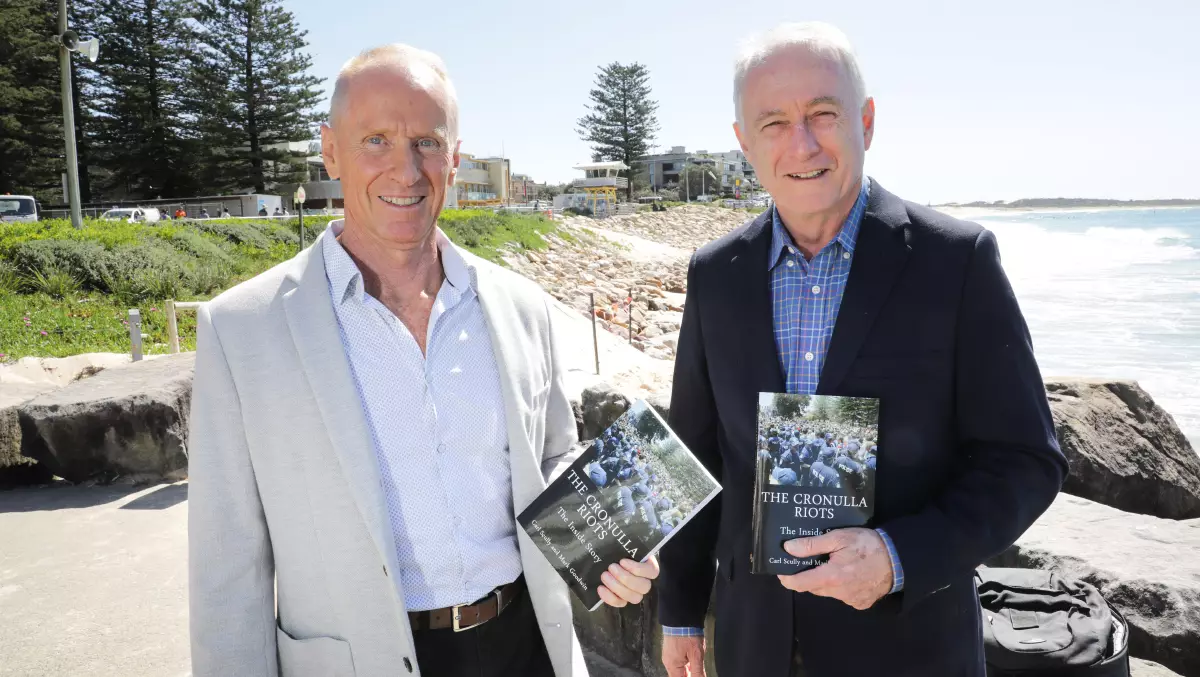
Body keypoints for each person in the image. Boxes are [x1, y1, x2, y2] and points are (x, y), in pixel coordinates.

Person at [188, 44, 658, 677]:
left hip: (523, 647)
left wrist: (612, 541)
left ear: (455, 157)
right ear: (330, 152)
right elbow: (227, 563)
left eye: (428, 143)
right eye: (376, 140)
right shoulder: (242, 327)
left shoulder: (521, 305)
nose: (406, 171)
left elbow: (551, 456)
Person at [658, 22, 1066, 677]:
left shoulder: (957, 262)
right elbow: (697, 456)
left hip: (911, 649)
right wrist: (680, 611)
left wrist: (899, 555)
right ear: (743, 143)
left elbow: (1026, 459)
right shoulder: (715, 274)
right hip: (754, 646)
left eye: (824, 113)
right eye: (774, 123)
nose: (803, 143)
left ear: (866, 121)